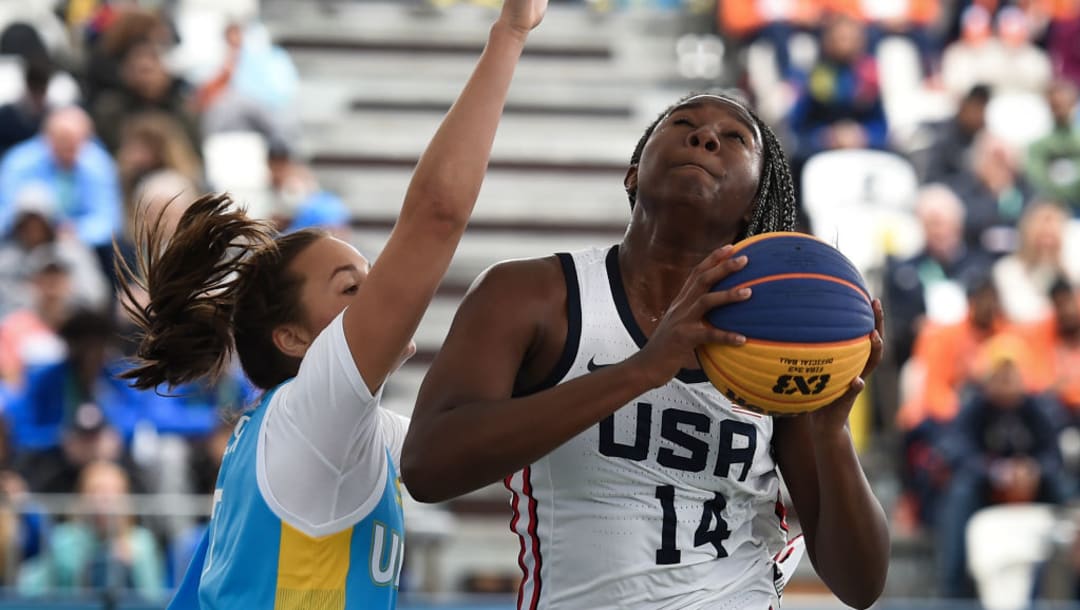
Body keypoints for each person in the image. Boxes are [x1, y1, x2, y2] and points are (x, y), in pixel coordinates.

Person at [119, 1, 547, 607]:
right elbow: (436, 215)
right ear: (292, 338)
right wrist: (509, 32)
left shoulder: (320, 428)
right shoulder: (312, 414)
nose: (380, 295)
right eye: (352, 287)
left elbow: (485, 437)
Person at [402, 92, 889, 609]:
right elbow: (428, 467)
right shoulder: (530, 295)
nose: (705, 137)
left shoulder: (781, 345)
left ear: (755, 199)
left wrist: (831, 433)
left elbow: (860, 585)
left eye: (734, 138)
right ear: (633, 173)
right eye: (684, 124)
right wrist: (641, 370)